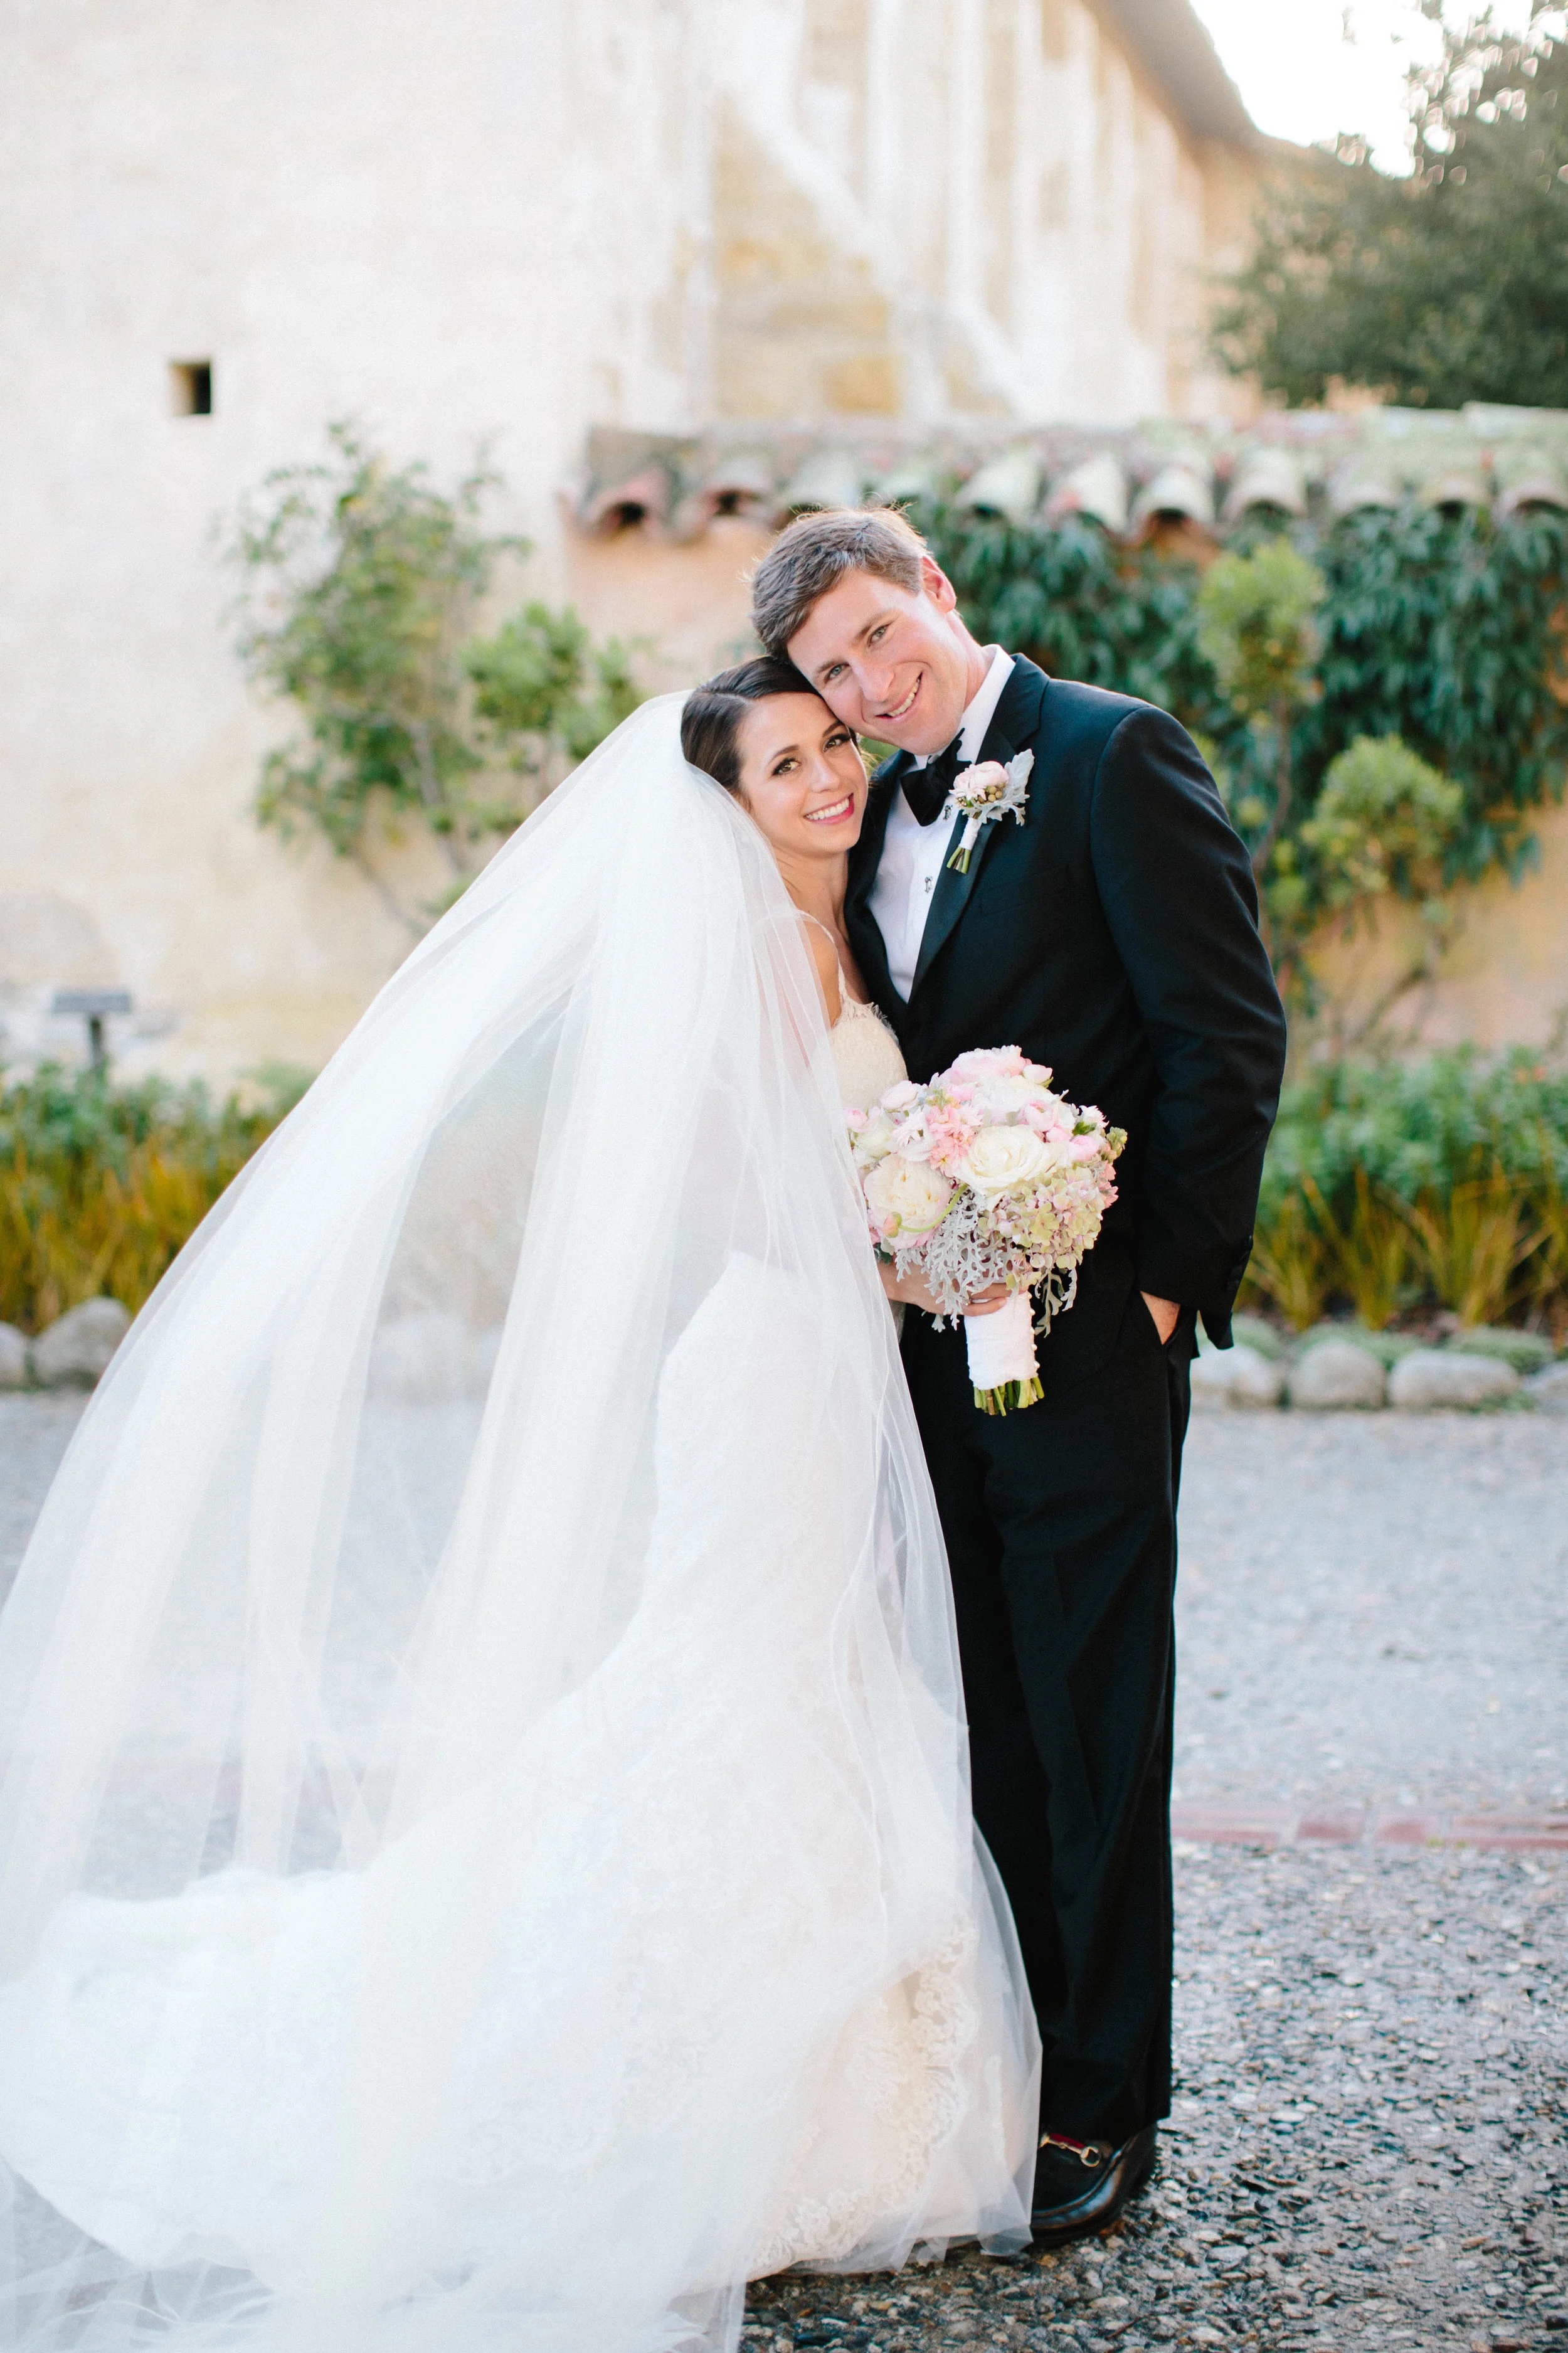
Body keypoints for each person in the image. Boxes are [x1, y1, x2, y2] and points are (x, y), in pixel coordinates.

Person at [0, 689, 1040, 2353]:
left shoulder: (850, 930)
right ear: (726, 802)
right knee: (742, 1678)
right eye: (786, 765)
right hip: (769, 1361)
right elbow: (726, 1180)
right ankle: (678, 2076)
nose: (830, 776)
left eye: (830, 745)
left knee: (793, 1665)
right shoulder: (758, 952)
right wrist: (924, 1250)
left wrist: (949, 1215)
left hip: (821, 1369)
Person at [751, 505, 1288, 2245]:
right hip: (925, 1348)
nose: (867, 685)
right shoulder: (866, 815)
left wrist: (1156, 1294)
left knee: (1091, 1708)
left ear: (935, 589)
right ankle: (1004, 2057)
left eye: (878, 640)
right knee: (976, 1698)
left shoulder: (1109, 753)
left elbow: (1224, 1031)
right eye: (831, 673)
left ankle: (1100, 2103)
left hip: (1086, 1331)